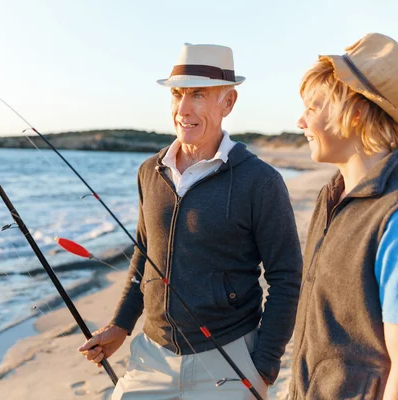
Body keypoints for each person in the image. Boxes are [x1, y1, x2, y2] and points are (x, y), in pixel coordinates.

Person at [79, 43, 303, 399]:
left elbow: (287, 277)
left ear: (228, 103)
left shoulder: (260, 181)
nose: (183, 109)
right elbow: (143, 253)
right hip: (151, 357)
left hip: (230, 358)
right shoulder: (149, 172)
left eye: (198, 94)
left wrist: (264, 364)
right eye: (177, 94)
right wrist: (121, 324)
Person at [290, 33, 398, 399]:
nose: (301, 121)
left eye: (313, 107)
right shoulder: (331, 197)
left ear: (354, 112)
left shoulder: (392, 215)